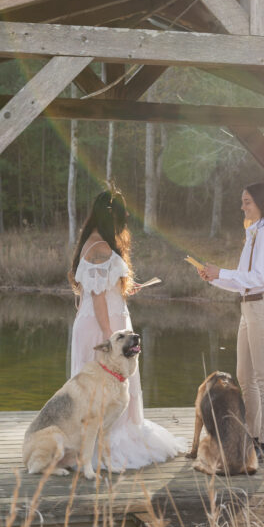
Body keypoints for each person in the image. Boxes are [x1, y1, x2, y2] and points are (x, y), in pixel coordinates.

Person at [70, 188, 185, 471]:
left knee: (101, 389)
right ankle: (109, 443)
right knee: (106, 389)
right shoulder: (101, 248)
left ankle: (92, 441)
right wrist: (112, 341)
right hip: (105, 327)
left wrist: (123, 289)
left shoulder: (92, 243)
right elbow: (97, 299)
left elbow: (100, 289)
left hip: (103, 321)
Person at [198, 183, 264, 462]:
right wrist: (215, 277)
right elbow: (242, 281)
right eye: (242, 201)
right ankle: (252, 437)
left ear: (261, 203)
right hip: (248, 308)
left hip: (262, 308)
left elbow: (258, 278)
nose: (242, 207)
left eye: (247, 202)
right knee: (245, 376)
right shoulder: (253, 234)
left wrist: (221, 271)